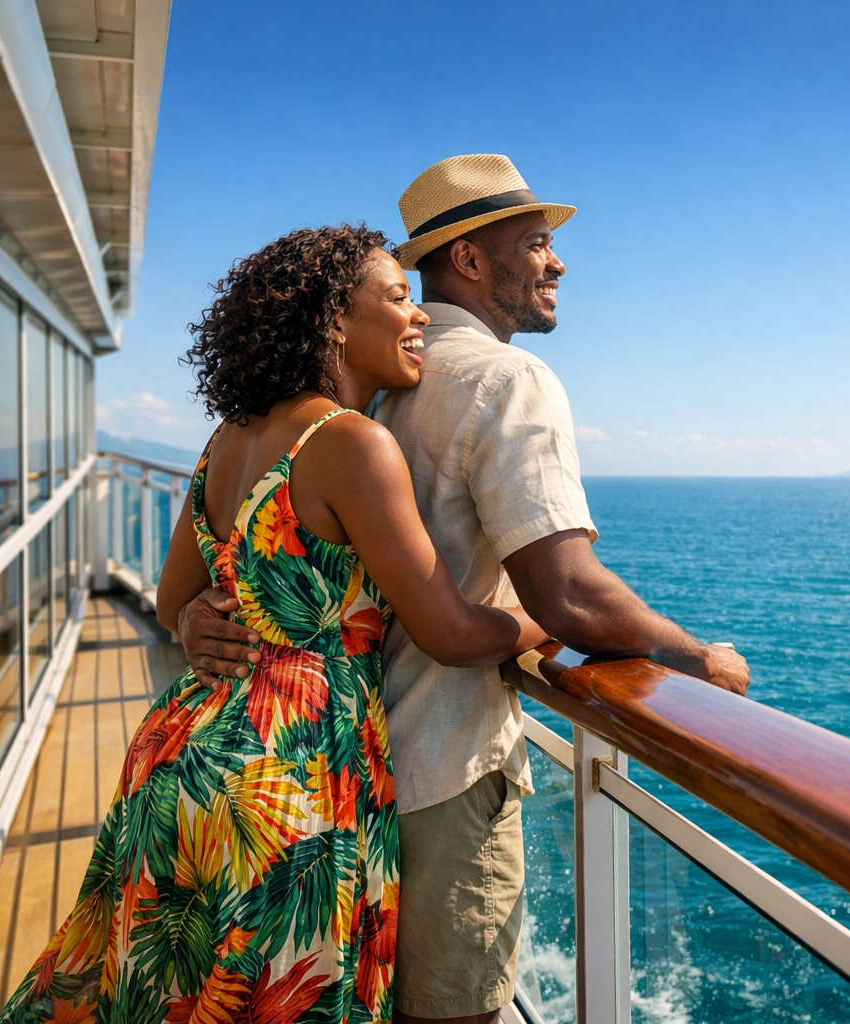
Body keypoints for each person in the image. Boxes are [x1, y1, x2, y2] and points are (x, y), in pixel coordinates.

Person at [175, 155, 750, 1024]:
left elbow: (222, 566)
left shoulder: (355, 391)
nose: (557, 263)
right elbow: (568, 598)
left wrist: (191, 617)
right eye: (537, 243)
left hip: (301, 771)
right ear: (473, 261)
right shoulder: (492, 382)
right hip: (433, 770)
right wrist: (694, 655)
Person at [0, 225, 547, 1024]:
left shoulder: (229, 438)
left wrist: (196, 625)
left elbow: (170, 599)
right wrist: (533, 626)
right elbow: (452, 634)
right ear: (332, 321)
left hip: (180, 753)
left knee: (157, 992)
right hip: (286, 785)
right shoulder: (352, 443)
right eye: (397, 297)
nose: (419, 315)